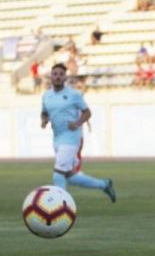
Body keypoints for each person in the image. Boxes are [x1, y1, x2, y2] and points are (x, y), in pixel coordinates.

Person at [41, 63, 116, 201]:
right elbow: (44, 113)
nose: (57, 77)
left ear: (65, 77)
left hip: (71, 138)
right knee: (69, 176)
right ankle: (104, 184)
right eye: (55, 74)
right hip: (57, 138)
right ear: (51, 76)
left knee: (58, 175)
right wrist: (44, 121)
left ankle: (60, 206)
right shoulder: (46, 96)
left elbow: (87, 112)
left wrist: (77, 123)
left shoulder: (73, 94)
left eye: (61, 74)